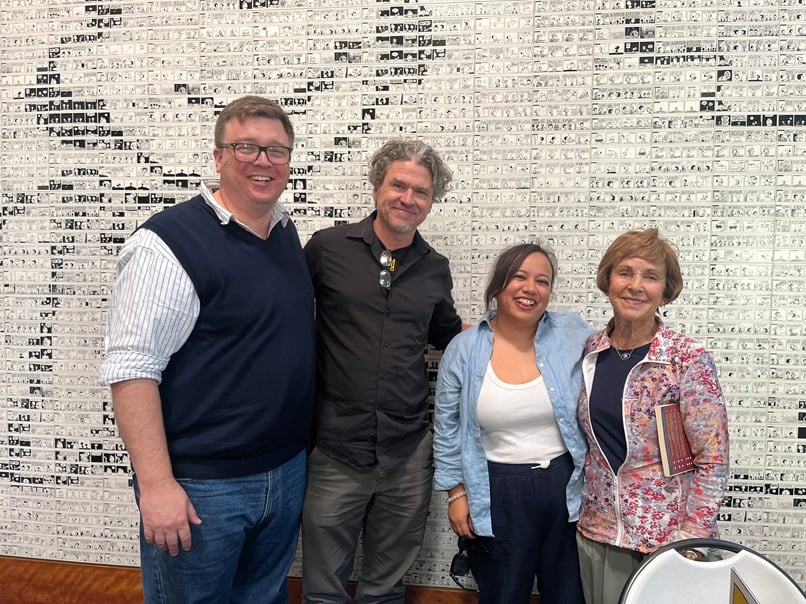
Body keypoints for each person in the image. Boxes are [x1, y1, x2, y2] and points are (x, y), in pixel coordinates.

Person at [100, 96, 315, 603]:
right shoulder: (167, 244)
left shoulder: (284, 232)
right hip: (202, 487)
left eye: (276, 151)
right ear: (218, 156)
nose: (263, 161)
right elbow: (131, 369)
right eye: (247, 147)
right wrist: (155, 487)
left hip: (284, 471)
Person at [301, 139, 463, 604]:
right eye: (399, 185)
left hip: (407, 452)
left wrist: (516, 331)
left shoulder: (435, 269)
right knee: (324, 590)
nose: (407, 199)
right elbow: (284, 318)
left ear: (431, 202)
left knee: (387, 589)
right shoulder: (327, 248)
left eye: (421, 192)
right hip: (335, 448)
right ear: (377, 186)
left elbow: (447, 333)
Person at [576, 228, 730, 604]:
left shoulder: (686, 358)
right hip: (599, 533)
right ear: (608, 279)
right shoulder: (591, 350)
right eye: (625, 272)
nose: (635, 286)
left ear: (665, 290)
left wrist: (692, 536)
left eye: (651, 276)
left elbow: (713, 459)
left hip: (667, 541)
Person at [433, 243, 591, 604]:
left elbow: (623, 345)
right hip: (496, 488)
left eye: (542, 281)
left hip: (565, 486)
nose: (529, 288)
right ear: (498, 284)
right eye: (519, 277)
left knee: (568, 595)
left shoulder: (573, 336)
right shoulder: (465, 349)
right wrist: (456, 494)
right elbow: (446, 428)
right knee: (503, 594)